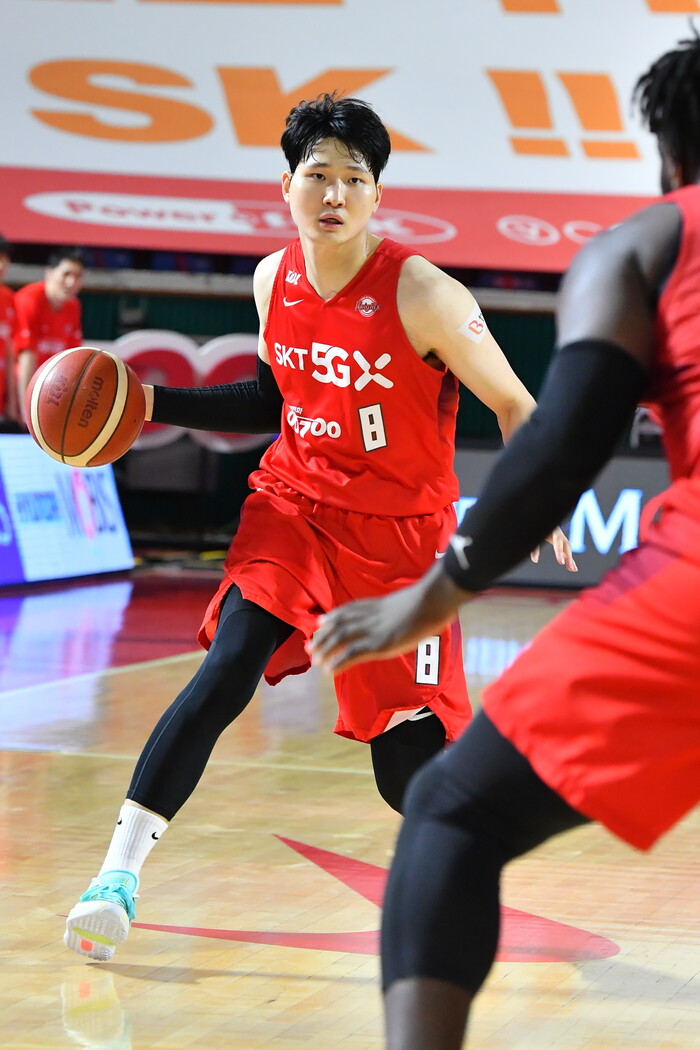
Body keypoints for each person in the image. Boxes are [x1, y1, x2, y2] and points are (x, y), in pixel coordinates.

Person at [63, 93, 575, 962]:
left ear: (378, 196)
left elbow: (515, 402)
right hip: (294, 505)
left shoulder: (424, 292)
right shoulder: (274, 278)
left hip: (399, 541)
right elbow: (274, 394)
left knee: (407, 770)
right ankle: (115, 877)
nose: (334, 194)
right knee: (228, 665)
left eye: (354, 179)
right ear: (287, 186)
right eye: (318, 175)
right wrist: (148, 400)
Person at [311, 35, 700, 1050]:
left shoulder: (646, 242)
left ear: (670, 153)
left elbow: (564, 442)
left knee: (449, 810)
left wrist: (434, 595)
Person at [13, 246, 84, 423]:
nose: (71, 282)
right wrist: (27, 413)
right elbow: (26, 358)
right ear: (49, 273)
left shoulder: (73, 306)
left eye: (77, 276)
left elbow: (73, 359)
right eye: (66, 274)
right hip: (18, 394)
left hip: (50, 393)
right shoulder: (29, 300)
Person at [0, 235, 16, 424]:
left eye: (5, 259)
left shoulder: (8, 298)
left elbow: (10, 354)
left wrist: (12, 403)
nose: (1, 265)